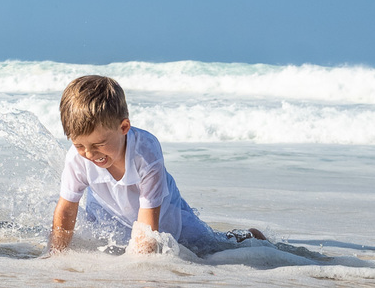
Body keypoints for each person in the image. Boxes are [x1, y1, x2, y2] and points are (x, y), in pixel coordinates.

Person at [49, 75, 266, 256]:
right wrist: (55, 256)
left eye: (99, 144)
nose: (89, 154)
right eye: (79, 145)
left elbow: (147, 229)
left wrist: (142, 272)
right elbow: (66, 210)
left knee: (210, 248)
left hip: (165, 217)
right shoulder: (77, 158)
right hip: (112, 216)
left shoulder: (145, 153)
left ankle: (247, 235)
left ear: (124, 127)